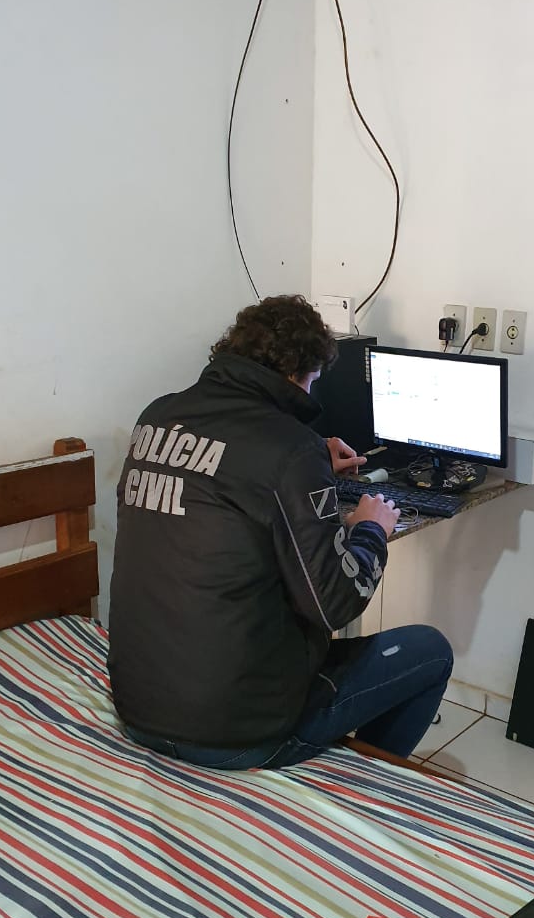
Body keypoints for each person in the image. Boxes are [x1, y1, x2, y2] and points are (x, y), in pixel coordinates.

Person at [107, 294, 453, 769]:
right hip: (235, 732)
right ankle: (360, 779)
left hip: (140, 708)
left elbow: (224, 487)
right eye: (312, 380)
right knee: (431, 651)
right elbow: (335, 604)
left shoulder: (158, 416)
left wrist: (309, 461)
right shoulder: (289, 450)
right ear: (295, 374)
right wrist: (370, 529)